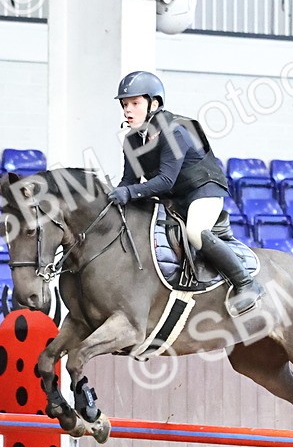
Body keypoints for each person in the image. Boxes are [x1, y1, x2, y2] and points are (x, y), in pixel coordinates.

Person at [110, 70, 262, 317]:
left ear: (154, 104)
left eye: (135, 103)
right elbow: (129, 181)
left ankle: (245, 282)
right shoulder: (132, 140)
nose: (128, 110)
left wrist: (128, 192)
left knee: (195, 232)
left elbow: (165, 180)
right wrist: (114, 198)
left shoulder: (174, 131)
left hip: (203, 190)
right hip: (173, 197)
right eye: (125, 104)